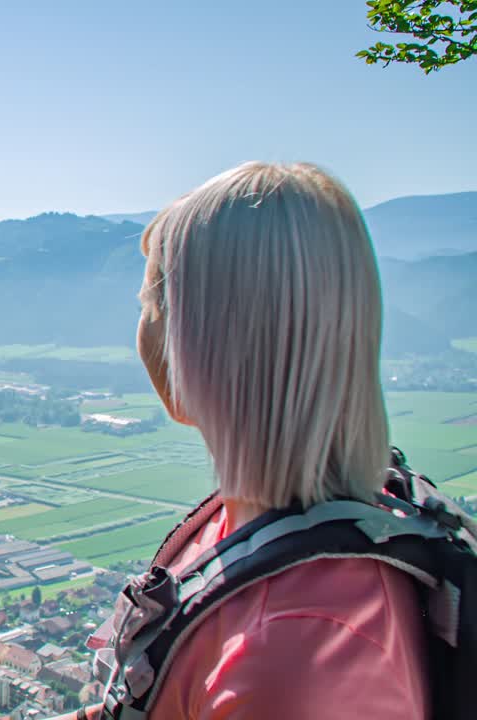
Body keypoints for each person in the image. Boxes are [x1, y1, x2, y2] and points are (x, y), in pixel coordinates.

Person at [61, 162, 429, 719]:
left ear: (200, 341)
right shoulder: (279, 527)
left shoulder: (294, 660)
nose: (142, 331)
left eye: (150, 307)